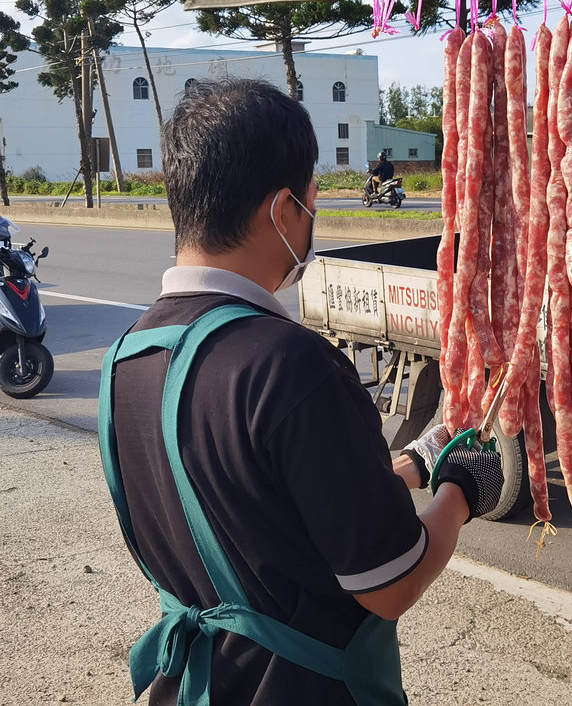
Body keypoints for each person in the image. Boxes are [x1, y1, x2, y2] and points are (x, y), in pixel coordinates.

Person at [97, 77, 503, 706]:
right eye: (312, 201)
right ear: (282, 208)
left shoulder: (128, 358)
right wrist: (458, 495)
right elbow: (389, 585)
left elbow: (264, 516)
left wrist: (412, 469)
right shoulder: (291, 366)